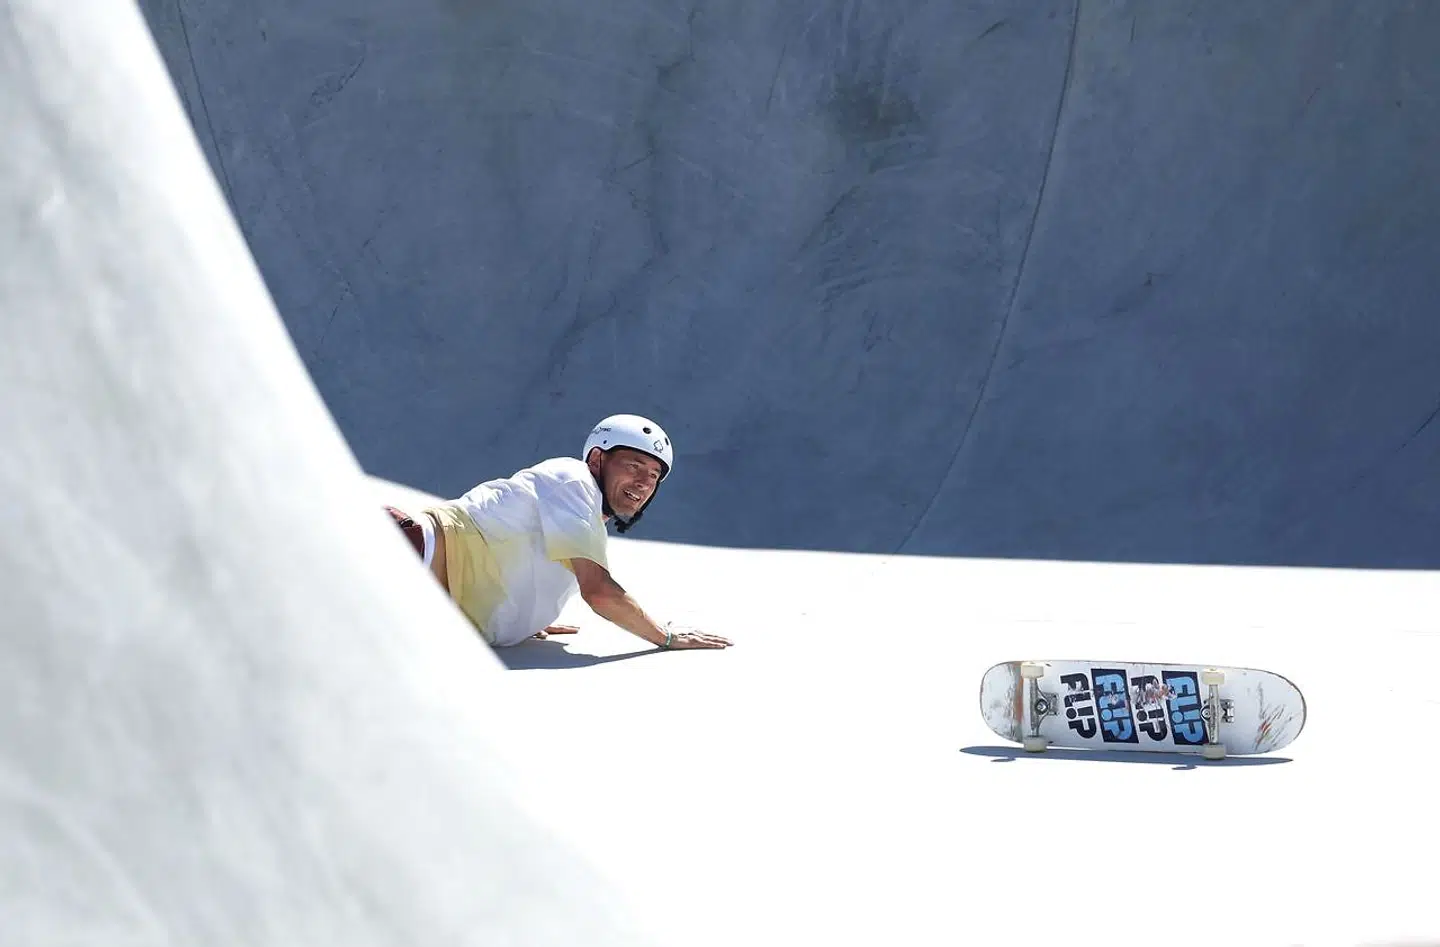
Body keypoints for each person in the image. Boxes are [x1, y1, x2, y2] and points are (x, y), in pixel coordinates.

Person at [385, 414, 732, 652]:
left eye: (654, 476)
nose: (643, 482)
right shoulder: (573, 479)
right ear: (597, 460)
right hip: (399, 554)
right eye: (633, 466)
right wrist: (667, 638)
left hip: (418, 609)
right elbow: (599, 592)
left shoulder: (583, 523)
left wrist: (522, 620)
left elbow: (515, 555)